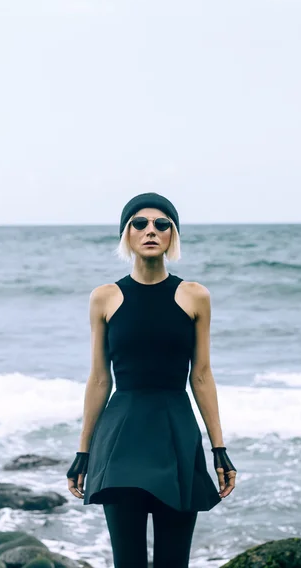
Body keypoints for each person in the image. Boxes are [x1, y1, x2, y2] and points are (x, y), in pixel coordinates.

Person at [66, 192, 237, 568]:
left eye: (162, 224)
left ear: (172, 236)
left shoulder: (195, 296)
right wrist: (83, 451)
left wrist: (218, 448)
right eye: (139, 223)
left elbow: (202, 376)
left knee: (173, 563)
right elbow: (98, 379)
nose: (150, 231)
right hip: (121, 438)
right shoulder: (104, 298)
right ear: (126, 235)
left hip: (177, 434)